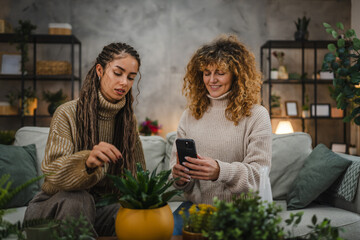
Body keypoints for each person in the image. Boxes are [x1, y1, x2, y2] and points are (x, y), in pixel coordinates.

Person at [24, 42, 146, 237]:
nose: (124, 82)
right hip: (54, 207)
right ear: (100, 70)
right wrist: (86, 163)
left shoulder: (128, 120)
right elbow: (52, 175)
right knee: (78, 199)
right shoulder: (67, 113)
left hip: (99, 210)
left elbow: (139, 177)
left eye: (131, 77)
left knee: (135, 217)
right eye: (118, 73)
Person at [170, 35, 272, 235]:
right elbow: (177, 179)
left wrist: (220, 171)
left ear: (236, 74)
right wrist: (179, 177)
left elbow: (259, 176)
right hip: (196, 210)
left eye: (220, 73)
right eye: (206, 73)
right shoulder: (190, 115)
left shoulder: (257, 115)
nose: (211, 80)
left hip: (238, 212)